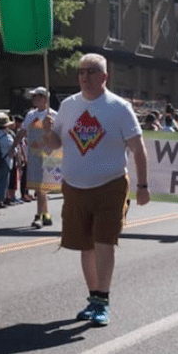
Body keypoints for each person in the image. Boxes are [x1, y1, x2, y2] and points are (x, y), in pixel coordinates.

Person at [41, 53, 150, 327]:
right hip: (75, 188)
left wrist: (143, 185)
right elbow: (55, 143)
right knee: (84, 246)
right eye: (81, 72)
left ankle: (103, 300)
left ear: (104, 77)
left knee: (104, 243)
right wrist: (48, 134)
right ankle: (93, 297)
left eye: (91, 72)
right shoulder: (67, 106)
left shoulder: (118, 107)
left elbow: (138, 148)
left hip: (110, 186)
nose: (84, 77)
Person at [19, 87, 57, 227]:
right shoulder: (30, 115)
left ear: (45, 98)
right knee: (39, 187)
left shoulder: (53, 115)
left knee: (41, 186)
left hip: (49, 155)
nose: (34, 99)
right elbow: (23, 131)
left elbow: (59, 136)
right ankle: (46, 215)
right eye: (33, 96)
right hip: (34, 154)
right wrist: (13, 147)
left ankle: (38, 217)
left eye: (37, 96)